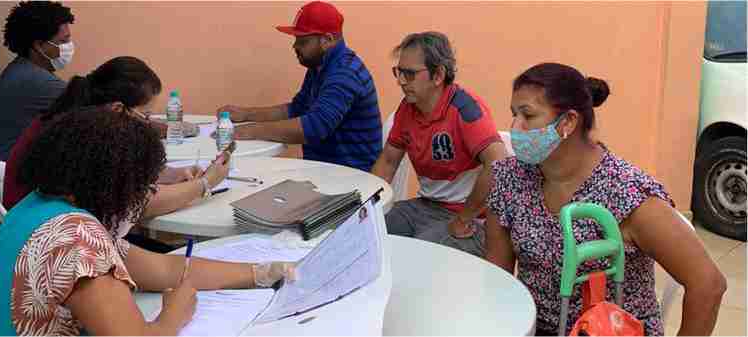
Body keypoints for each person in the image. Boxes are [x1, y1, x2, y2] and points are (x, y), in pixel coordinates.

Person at [0, 106, 296, 336]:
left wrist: (260, 273)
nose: (147, 196)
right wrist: (175, 314)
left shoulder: (41, 206)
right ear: (113, 185)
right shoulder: (78, 237)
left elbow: (165, 269)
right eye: (144, 186)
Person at [485, 62, 727, 335]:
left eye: (527, 116)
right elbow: (499, 283)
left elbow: (708, 284)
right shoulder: (509, 179)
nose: (515, 127)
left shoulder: (626, 194)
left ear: (568, 122)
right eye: (514, 114)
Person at [2, 56, 206, 252]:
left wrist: (173, 174)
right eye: (145, 115)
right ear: (118, 109)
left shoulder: (75, 121)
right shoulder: (84, 142)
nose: (147, 123)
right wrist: (205, 184)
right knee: (170, 260)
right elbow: (138, 204)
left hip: (47, 235)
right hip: (48, 245)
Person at [370, 32, 507, 257]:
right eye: (398, 72)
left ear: (438, 75)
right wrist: (365, 208)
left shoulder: (466, 109)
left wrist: (465, 218)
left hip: (471, 218)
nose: (401, 81)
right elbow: (387, 162)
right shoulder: (407, 108)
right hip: (426, 205)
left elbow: (499, 163)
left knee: (413, 256)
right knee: (368, 233)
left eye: (410, 74)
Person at [216, 1, 382, 172]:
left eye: (303, 41)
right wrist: (246, 114)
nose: (295, 46)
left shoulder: (344, 74)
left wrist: (249, 131)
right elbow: (296, 109)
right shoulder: (321, 65)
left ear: (327, 40)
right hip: (327, 171)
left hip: (352, 178)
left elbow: (313, 128)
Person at [0, 1, 74, 162]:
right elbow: (91, 112)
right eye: (63, 41)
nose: (69, 46)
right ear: (38, 46)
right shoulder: (38, 82)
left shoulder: (20, 68)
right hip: (5, 175)